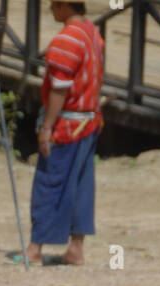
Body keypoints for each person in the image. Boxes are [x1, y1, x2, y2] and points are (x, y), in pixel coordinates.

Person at [25, 1, 105, 267]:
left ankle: (35, 248)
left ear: (64, 6)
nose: (51, 9)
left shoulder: (66, 39)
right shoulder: (92, 33)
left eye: (54, 4)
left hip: (68, 125)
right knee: (81, 186)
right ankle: (76, 249)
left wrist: (47, 126)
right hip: (89, 122)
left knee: (49, 184)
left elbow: (60, 88)